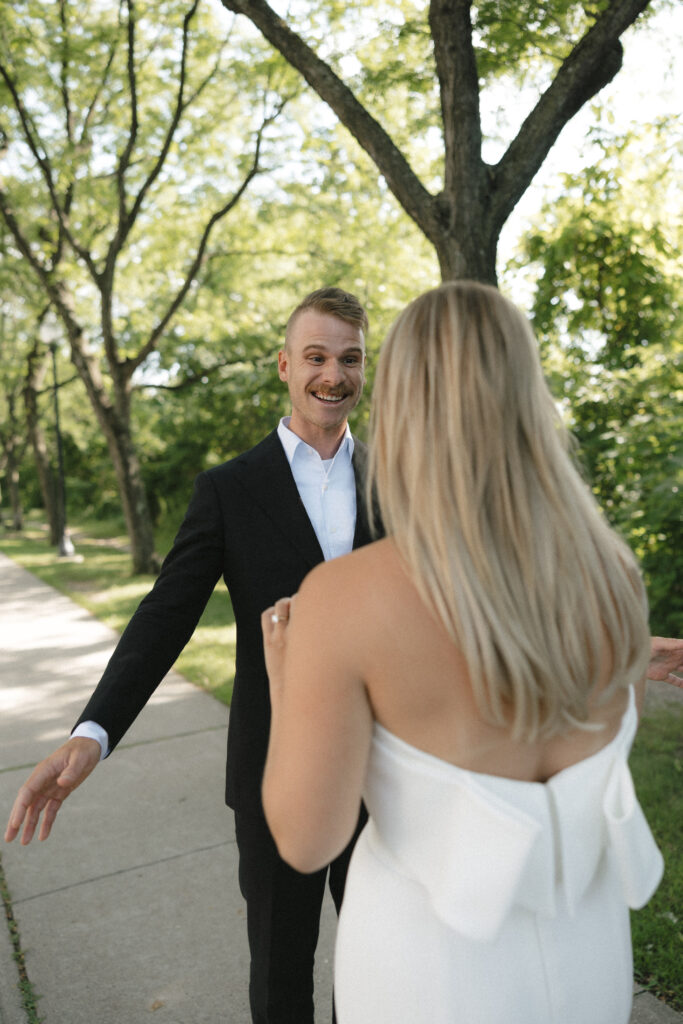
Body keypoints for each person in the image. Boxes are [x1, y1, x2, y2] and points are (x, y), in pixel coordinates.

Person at [259, 281, 673, 1024]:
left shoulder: (342, 598)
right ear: (525, 392)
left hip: (427, 975)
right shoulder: (614, 575)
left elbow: (305, 838)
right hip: (588, 959)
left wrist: (286, 680)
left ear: (405, 403)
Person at [4, 287, 373, 1024]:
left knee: (382, 973)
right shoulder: (229, 489)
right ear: (283, 366)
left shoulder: (404, 476)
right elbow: (165, 616)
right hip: (276, 773)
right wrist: (91, 733)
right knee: (279, 978)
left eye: (349, 358)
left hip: (387, 773)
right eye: (315, 357)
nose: (332, 375)